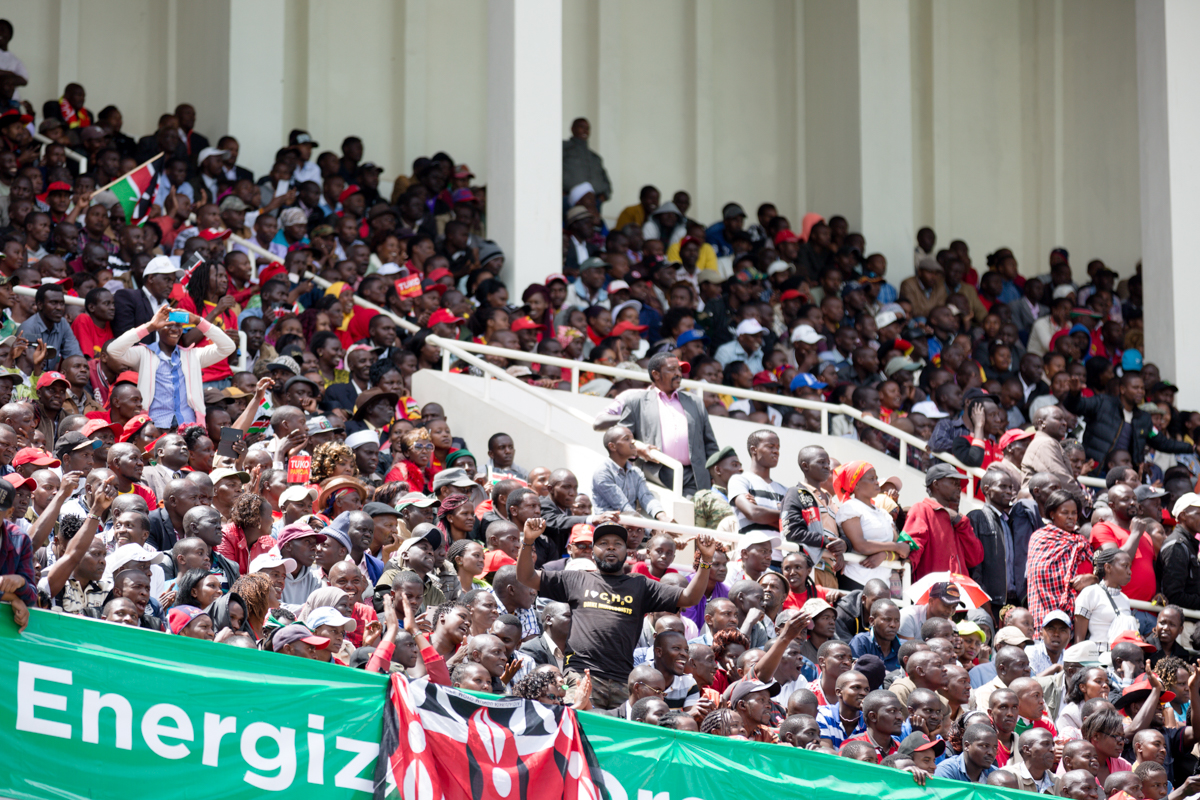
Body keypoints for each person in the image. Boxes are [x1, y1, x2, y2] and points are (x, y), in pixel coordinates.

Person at [515, 519, 717, 709]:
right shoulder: (576, 580)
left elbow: (689, 597)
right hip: (581, 676)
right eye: (603, 543)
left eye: (617, 544)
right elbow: (526, 576)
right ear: (592, 552)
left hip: (624, 680)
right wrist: (528, 541)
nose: (611, 547)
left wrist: (706, 560)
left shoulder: (641, 585)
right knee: (579, 731)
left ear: (626, 551)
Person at [108, 304, 236, 430]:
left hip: (189, 428)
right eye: (168, 325)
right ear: (158, 328)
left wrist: (198, 320)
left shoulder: (193, 355)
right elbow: (113, 350)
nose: (175, 329)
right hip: (154, 426)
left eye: (179, 325)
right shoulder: (144, 353)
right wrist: (150, 326)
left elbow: (228, 346)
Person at [608, 353, 719, 496]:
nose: (678, 374)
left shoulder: (695, 402)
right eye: (672, 369)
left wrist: (716, 474)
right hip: (655, 474)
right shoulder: (636, 401)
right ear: (656, 374)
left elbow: (710, 444)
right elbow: (621, 437)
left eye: (679, 370)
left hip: (694, 477)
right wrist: (639, 449)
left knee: (690, 515)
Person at [903, 463, 983, 581]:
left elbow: (975, 558)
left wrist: (961, 523)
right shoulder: (921, 509)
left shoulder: (959, 520)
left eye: (959, 485)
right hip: (933, 593)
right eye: (953, 483)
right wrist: (907, 565)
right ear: (936, 484)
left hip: (960, 593)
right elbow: (913, 547)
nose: (959, 488)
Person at [934, 722, 998, 783]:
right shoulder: (946, 771)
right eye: (985, 746)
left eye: (995, 748)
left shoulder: (995, 774)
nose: (991, 753)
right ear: (967, 746)